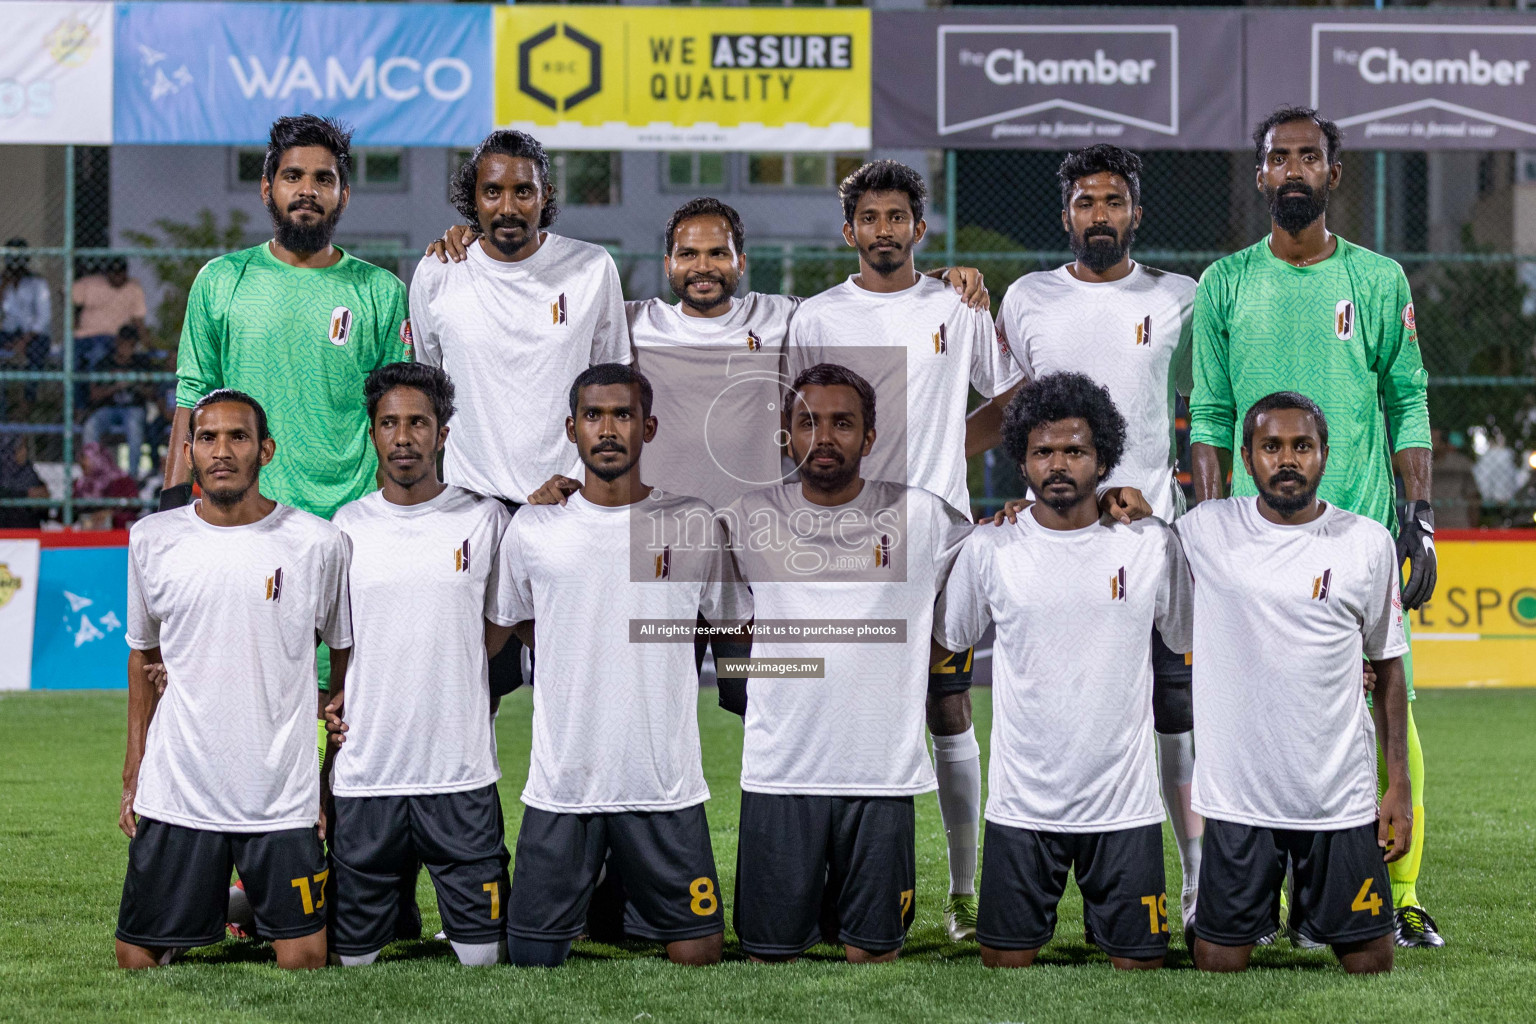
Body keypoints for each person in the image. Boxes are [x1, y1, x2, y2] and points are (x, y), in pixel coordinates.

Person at [1189, 107, 1440, 948]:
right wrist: (1211, 526)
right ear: (1260, 176)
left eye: (1308, 157)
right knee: (1256, 719)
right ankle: (1259, 902)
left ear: (1335, 173)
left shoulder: (1379, 280)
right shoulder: (1223, 282)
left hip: (1356, 535)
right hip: (1252, 549)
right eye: (1277, 158)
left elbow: (1407, 398)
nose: (1292, 169)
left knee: (1384, 710)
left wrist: (1421, 519)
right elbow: (1212, 414)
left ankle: (1397, 897)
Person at [785, 160, 1025, 941]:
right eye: (870, 218)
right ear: (848, 230)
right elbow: (789, 426)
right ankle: (835, 886)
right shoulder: (816, 317)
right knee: (836, 703)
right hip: (842, 537)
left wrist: (948, 449)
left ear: (921, 229)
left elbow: (1014, 393)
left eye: (898, 217)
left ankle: (962, 895)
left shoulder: (955, 308)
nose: (884, 230)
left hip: (939, 536)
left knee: (946, 701)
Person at [990, 144, 1204, 933]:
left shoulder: (1182, 297)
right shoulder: (1026, 299)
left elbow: (1210, 407)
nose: (1100, 215)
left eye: (1114, 201)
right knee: (1051, 713)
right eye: (1086, 202)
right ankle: (1001, 885)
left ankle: (1197, 885)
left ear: (1136, 213)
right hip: (1048, 547)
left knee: (1174, 718)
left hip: (1151, 543)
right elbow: (1004, 407)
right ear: (1067, 214)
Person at [490, 363, 750, 968]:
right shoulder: (535, 526)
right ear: (571, 428)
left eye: (623, 415)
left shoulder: (690, 522)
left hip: (663, 786)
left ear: (648, 427)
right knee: (530, 958)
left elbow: (734, 624)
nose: (608, 429)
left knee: (699, 952)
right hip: (563, 786)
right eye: (593, 416)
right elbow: (510, 624)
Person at [938, 372, 1192, 970]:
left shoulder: (1151, 546)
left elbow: (1186, 638)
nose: (1058, 464)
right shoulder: (990, 549)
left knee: (1141, 965)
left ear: (1102, 459)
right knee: (1004, 964)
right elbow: (949, 637)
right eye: (1042, 451)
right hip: (1022, 810)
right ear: (1021, 461)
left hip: (1124, 810)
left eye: (1075, 451)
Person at [721, 363, 973, 963]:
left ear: (870, 435)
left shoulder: (926, 517)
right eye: (807, 423)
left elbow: (998, 561)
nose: (824, 437)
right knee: (768, 955)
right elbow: (713, 608)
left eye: (843, 423)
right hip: (780, 774)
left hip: (881, 778)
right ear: (787, 434)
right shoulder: (745, 516)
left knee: (872, 955)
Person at [1176, 392, 1411, 975]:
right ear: (1248, 457)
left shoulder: (1366, 543)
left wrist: (1398, 785)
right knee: (1217, 962)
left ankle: (1309, 915)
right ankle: (1247, 913)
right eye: (1271, 446)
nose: (1287, 459)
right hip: (1239, 798)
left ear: (1324, 455)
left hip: (1336, 796)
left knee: (1370, 962)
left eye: (1301, 446)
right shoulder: (1205, 530)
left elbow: (1387, 665)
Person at [116, 389, 350, 970]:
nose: (222, 451)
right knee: (134, 961)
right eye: (208, 438)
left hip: (279, 795)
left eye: (238, 437)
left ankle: (241, 905)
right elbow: (141, 657)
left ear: (265, 450)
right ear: (190, 452)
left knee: (303, 961)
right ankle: (226, 902)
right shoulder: (152, 539)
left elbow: (344, 659)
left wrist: (326, 771)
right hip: (181, 786)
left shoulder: (317, 544)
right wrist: (133, 770)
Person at [410, 129, 629, 697]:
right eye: (492, 192)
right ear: (472, 198)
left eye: (523, 192)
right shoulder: (438, 272)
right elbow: (429, 396)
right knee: (469, 691)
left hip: (565, 507)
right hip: (469, 508)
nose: (508, 207)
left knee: (579, 687)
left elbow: (613, 389)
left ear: (545, 194)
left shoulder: (590, 268)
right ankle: (468, 791)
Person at [323, 363, 513, 968]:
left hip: (458, 772)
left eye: (418, 423)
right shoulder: (346, 526)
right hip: (368, 773)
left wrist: (444, 667)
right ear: (372, 434)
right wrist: (338, 703)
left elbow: (494, 629)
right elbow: (343, 645)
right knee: (352, 960)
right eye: (389, 423)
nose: (403, 437)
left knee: (483, 958)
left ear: (443, 433)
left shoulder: (484, 519)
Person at [82, 325, 156, 475]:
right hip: (109, 409)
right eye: (123, 344)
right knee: (90, 426)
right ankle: (93, 474)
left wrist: (134, 383)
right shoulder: (105, 363)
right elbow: (93, 394)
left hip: (133, 409)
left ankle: (132, 478)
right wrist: (115, 386)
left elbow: (153, 393)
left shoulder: (140, 363)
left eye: (130, 345)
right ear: (117, 343)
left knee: (134, 426)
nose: (126, 348)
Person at [1, 239, 52, 419]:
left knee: (37, 354)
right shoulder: (4, 283)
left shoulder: (37, 283)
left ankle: (27, 401)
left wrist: (23, 341)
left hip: (34, 334)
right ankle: (3, 408)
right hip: (9, 332)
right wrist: (3, 286)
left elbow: (44, 318)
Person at [73, 257, 148, 372]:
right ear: (107, 273)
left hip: (114, 337)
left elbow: (138, 318)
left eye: (120, 273)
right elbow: (67, 296)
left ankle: (94, 386)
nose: (117, 276)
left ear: (126, 273)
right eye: (113, 273)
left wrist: (145, 341)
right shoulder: (91, 283)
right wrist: (74, 319)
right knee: (70, 356)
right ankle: (74, 389)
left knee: (98, 354)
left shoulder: (134, 288)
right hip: (84, 336)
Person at [74, 441, 139, 531]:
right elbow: (68, 513)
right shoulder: (80, 484)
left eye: (85, 458)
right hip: (86, 533)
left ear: (97, 458)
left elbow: (133, 507)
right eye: (81, 458)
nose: (82, 462)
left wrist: (110, 514)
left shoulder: (122, 480)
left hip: (117, 533)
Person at [1430, 428, 1480, 530]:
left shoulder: (1460, 463)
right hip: (1432, 522)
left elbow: (1472, 495)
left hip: (1457, 522)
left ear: (1444, 444)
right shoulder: (1421, 463)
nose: (1430, 442)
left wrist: (1474, 525)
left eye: (1434, 439)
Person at [0, 435, 49, 528]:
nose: (24, 452)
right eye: (20, 448)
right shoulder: (3, 472)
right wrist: (26, 495)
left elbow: (43, 497)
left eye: (25, 448)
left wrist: (42, 496)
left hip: (30, 529)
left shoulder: (29, 472)